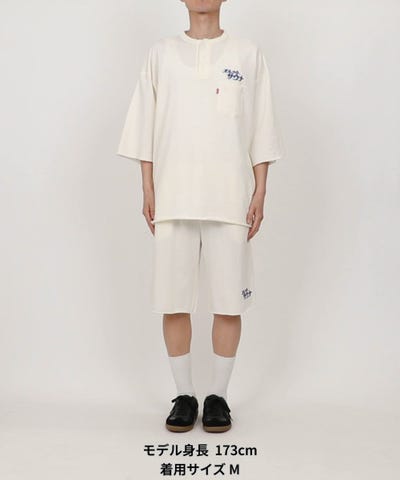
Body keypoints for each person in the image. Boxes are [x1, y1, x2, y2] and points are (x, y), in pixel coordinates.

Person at [117, 0, 283, 433]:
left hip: (230, 198)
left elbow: (261, 125)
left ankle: (218, 398)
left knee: (229, 301)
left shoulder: (247, 54)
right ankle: (184, 395)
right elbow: (144, 123)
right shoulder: (162, 54)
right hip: (173, 197)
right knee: (173, 299)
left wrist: (260, 189)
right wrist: (147, 186)